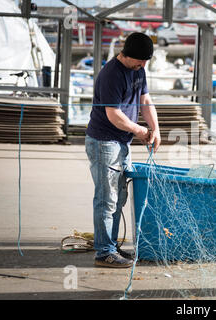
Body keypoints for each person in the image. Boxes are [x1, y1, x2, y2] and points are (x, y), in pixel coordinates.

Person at [85, 32, 161, 268]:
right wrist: (140, 131)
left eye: (146, 61)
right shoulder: (111, 75)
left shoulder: (139, 70)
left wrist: (155, 129)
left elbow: (145, 101)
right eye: (140, 60)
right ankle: (104, 252)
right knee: (107, 199)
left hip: (122, 142)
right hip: (103, 142)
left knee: (119, 198)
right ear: (126, 55)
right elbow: (113, 115)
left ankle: (111, 247)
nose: (143, 65)